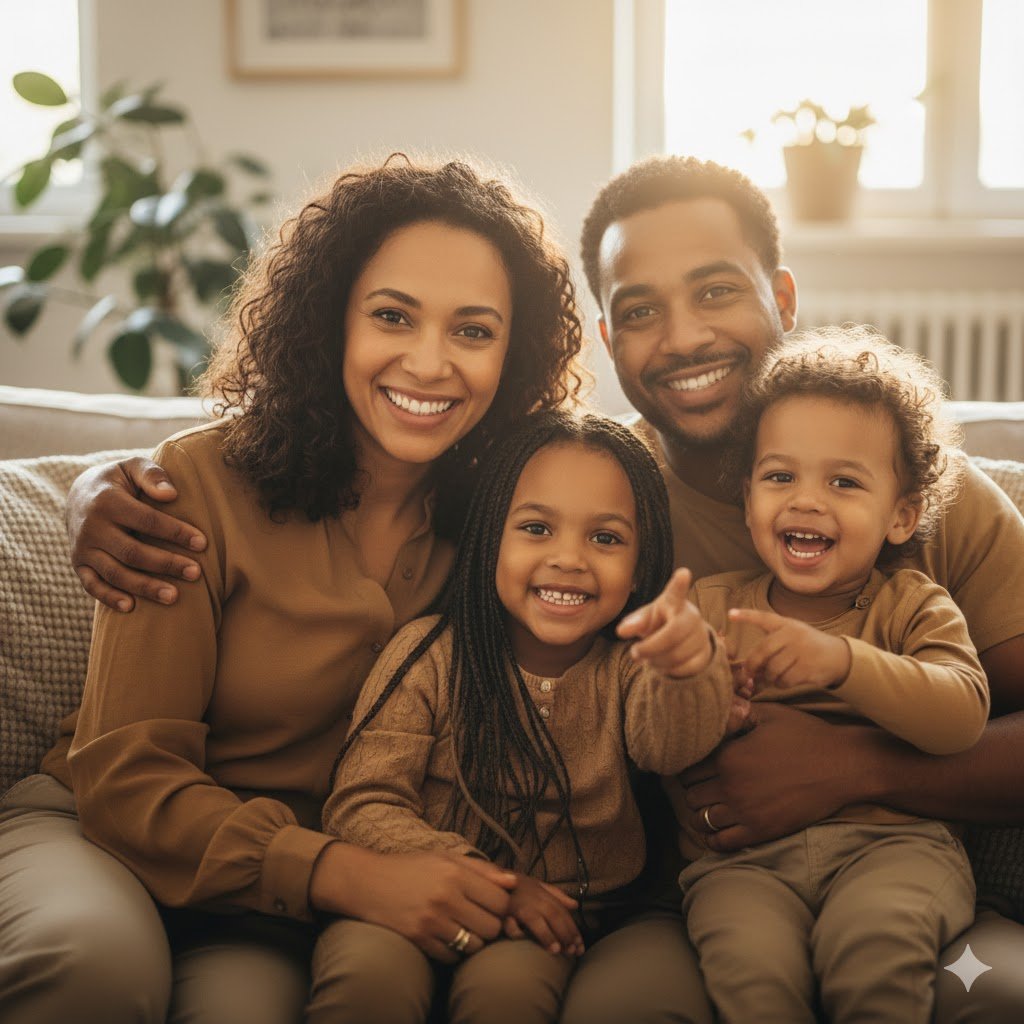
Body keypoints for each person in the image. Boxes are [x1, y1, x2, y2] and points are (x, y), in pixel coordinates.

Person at [63, 155, 1024, 1022]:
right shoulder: (597, 500)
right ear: (606, 338)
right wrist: (87, 488)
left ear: (780, 294)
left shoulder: (921, 495)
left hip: (904, 886)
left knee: (998, 989)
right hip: (704, 897)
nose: (682, 338)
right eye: (642, 310)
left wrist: (862, 769)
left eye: (717, 292)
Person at [0, 155, 590, 1024]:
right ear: (328, 323)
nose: (429, 364)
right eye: (393, 316)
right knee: (94, 969)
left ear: (515, 351)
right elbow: (125, 779)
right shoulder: (192, 489)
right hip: (107, 834)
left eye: (473, 331)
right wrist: (343, 873)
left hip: (287, 898)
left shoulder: (517, 518)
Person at [313, 411, 737, 1023]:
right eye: (536, 528)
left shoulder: (631, 668)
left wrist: (687, 668)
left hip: (565, 923)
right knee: (365, 976)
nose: (568, 559)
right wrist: (491, 885)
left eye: (607, 538)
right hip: (418, 892)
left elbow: (668, 748)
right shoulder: (429, 654)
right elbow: (360, 804)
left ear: (643, 564)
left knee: (507, 990)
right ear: (491, 537)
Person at [674, 328, 987, 1022]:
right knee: (752, 978)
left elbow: (963, 714)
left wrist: (843, 662)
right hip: (741, 868)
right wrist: (696, 699)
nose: (807, 501)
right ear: (747, 494)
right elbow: (649, 734)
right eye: (780, 476)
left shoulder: (913, 605)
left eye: (843, 482)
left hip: (898, 851)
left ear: (901, 516)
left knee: (873, 955)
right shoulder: (711, 606)